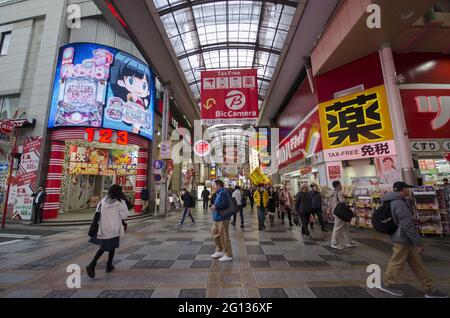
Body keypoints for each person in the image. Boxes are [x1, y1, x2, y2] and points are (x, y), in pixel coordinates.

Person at [377, 182, 448, 298]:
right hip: (402, 238)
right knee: (397, 263)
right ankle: (387, 284)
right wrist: (418, 242)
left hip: (402, 237)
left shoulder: (391, 200)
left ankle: (429, 288)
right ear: (402, 189)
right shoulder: (399, 203)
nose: (409, 190)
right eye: (407, 188)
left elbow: (402, 220)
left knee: (417, 265)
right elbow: (407, 225)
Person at [86, 184, 129, 278]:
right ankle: (93, 264)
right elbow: (125, 216)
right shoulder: (120, 203)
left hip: (103, 228)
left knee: (106, 247)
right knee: (107, 248)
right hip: (113, 229)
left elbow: (96, 214)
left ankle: (108, 265)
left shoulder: (102, 202)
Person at [329, 180, 356, 250]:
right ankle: (334, 243)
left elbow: (330, 203)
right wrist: (348, 201)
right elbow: (342, 201)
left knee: (345, 226)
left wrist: (330, 211)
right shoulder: (339, 192)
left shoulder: (332, 192)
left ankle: (348, 241)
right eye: (340, 184)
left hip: (335, 211)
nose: (341, 185)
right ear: (338, 185)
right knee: (338, 228)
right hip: (340, 212)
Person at [210, 179, 233, 262]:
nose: (213, 186)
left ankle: (228, 254)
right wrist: (214, 206)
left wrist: (216, 207)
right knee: (214, 233)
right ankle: (220, 250)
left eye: (214, 185)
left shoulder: (223, 193)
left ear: (219, 185)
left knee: (224, 237)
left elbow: (225, 204)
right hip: (217, 217)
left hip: (223, 218)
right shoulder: (219, 193)